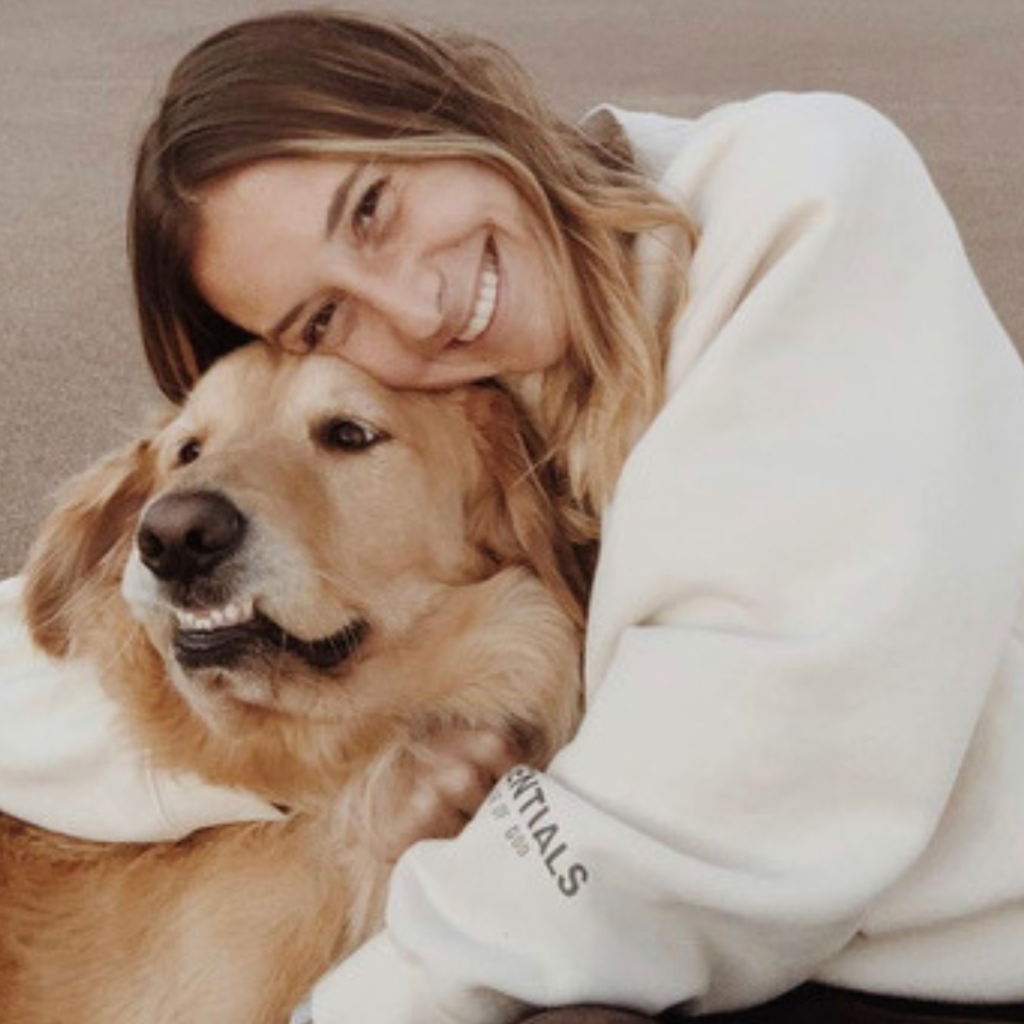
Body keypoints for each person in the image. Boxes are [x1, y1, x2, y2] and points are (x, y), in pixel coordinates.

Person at [3, 10, 1024, 1024]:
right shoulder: (483, 380)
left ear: (447, 105)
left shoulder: (808, 198)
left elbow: (707, 827)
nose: (415, 303)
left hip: (916, 952)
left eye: (372, 209)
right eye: (322, 318)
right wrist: (316, 792)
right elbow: (39, 657)